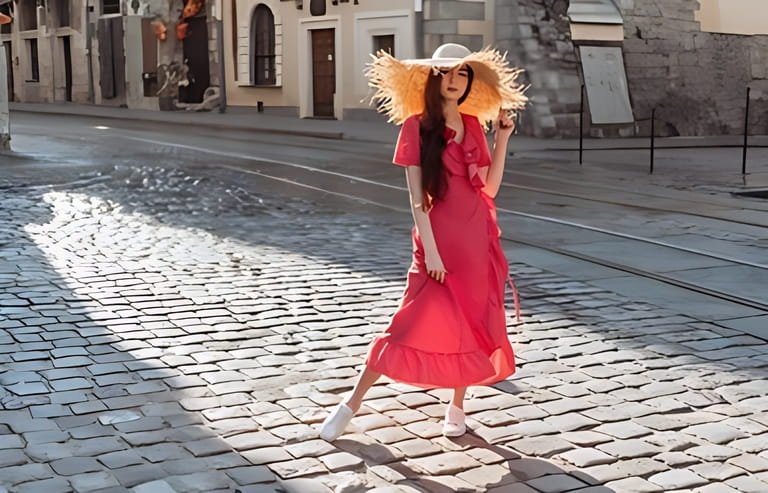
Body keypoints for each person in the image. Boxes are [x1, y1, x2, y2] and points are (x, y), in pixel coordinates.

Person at [319, 43, 527, 441]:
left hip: (474, 242)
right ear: (434, 79)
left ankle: (457, 405)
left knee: (471, 324)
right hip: (435, 245)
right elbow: (417, 198)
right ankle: (350, 403)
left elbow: (490, 188)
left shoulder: (473, 125)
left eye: (462, 73)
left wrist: (502, 138)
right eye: (446, 72)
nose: (454, 80)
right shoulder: (416, 126)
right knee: (405, 324)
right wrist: (430, 249)